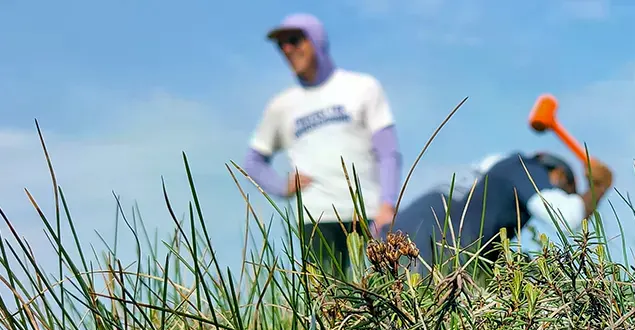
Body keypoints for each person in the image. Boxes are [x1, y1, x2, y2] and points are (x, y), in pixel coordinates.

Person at [242, 13, 402, 276]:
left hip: (368, 213)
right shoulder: (281, 105)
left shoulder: (363, 87)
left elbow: (388, 151)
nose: (287, 49)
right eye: (281, 45)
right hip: (314, 219)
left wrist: (388, 203)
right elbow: (253, 161)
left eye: (294, 40)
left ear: (316, 40)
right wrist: (282, 186)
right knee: (329, 301)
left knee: (381, 291)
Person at [382, 151, 613, 272]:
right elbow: (567, 216)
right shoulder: (527, 167)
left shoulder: (494, 170)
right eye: (566, 191)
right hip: (433, 244)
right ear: (558, 175)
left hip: (396, 236)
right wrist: (599, 188)